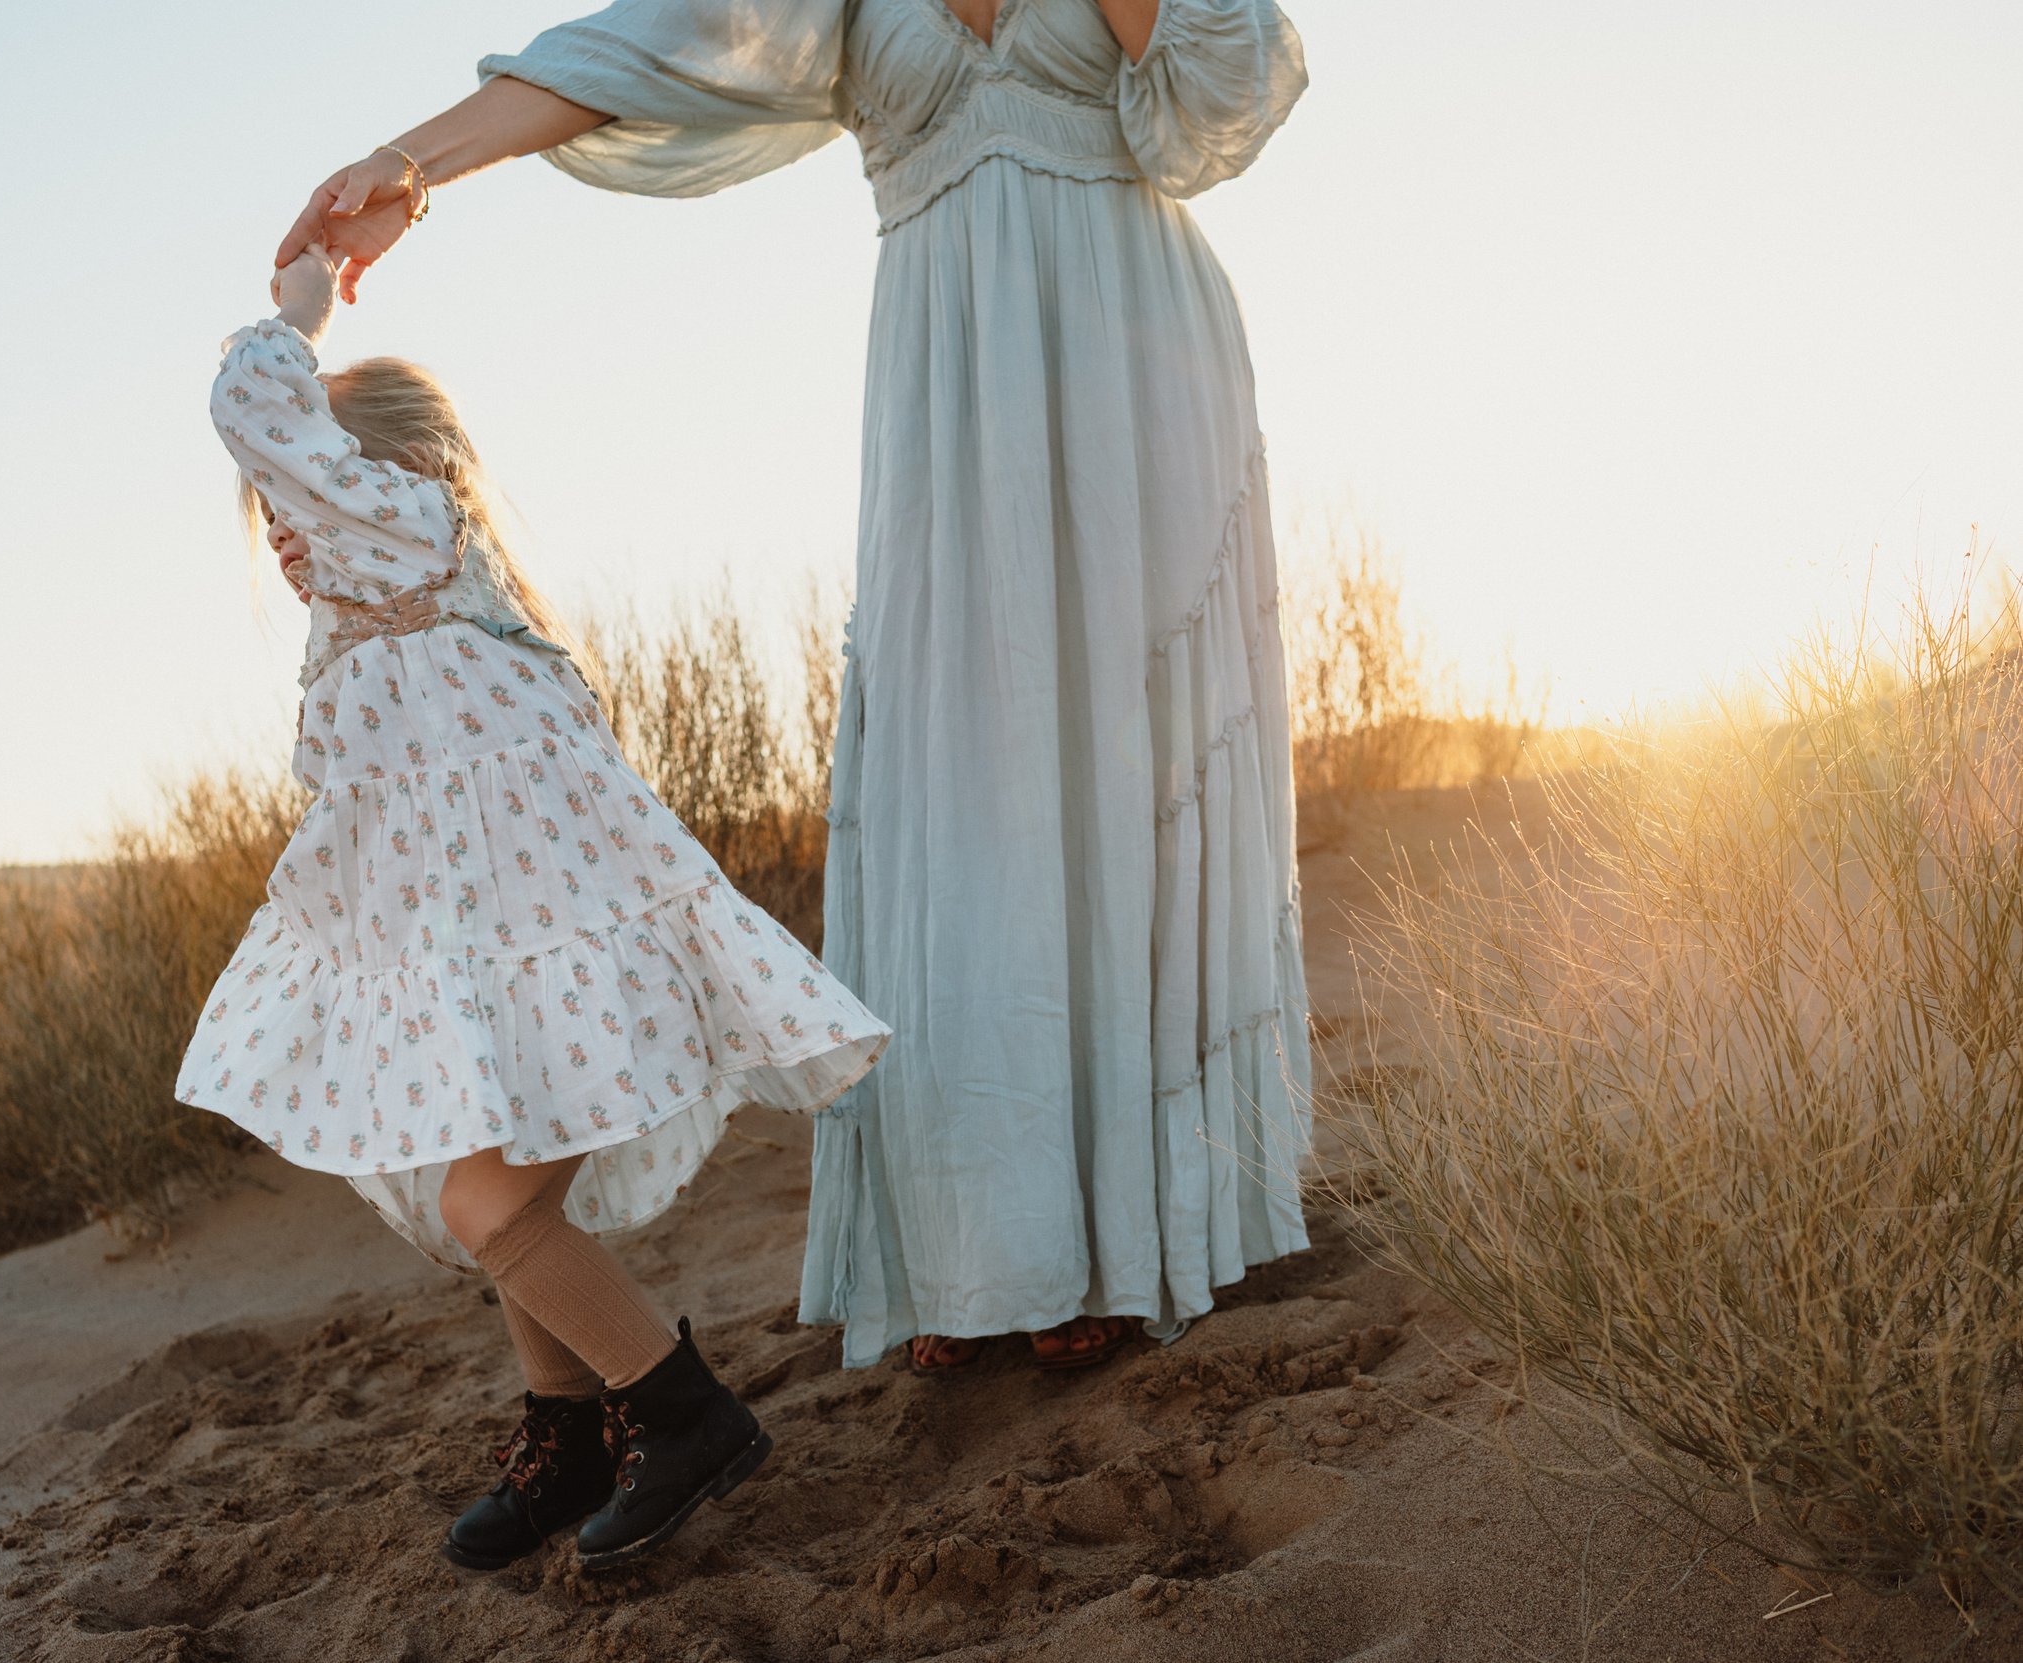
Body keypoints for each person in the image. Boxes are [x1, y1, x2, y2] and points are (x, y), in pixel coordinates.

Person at [274, 0, 1314, 1377]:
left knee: (1127, 760)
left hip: (1131, 362)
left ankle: (1131, 1235)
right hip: (949, 387)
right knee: (966, 792)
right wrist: (408, 167)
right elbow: (648, 47)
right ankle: (991, 1249)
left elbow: (1215, 101)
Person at [175, 244, 890, 1571]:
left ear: (389, 474)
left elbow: (253, 405)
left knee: (491, 1211)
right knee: (483, 1162)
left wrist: (296, 317)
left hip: (572, 952)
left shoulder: (409, 528)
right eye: (272, 506)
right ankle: (568, 1431)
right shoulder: (379, 609)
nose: (281, 522)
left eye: (297, 488)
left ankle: (680, 1413)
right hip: (490, 958)